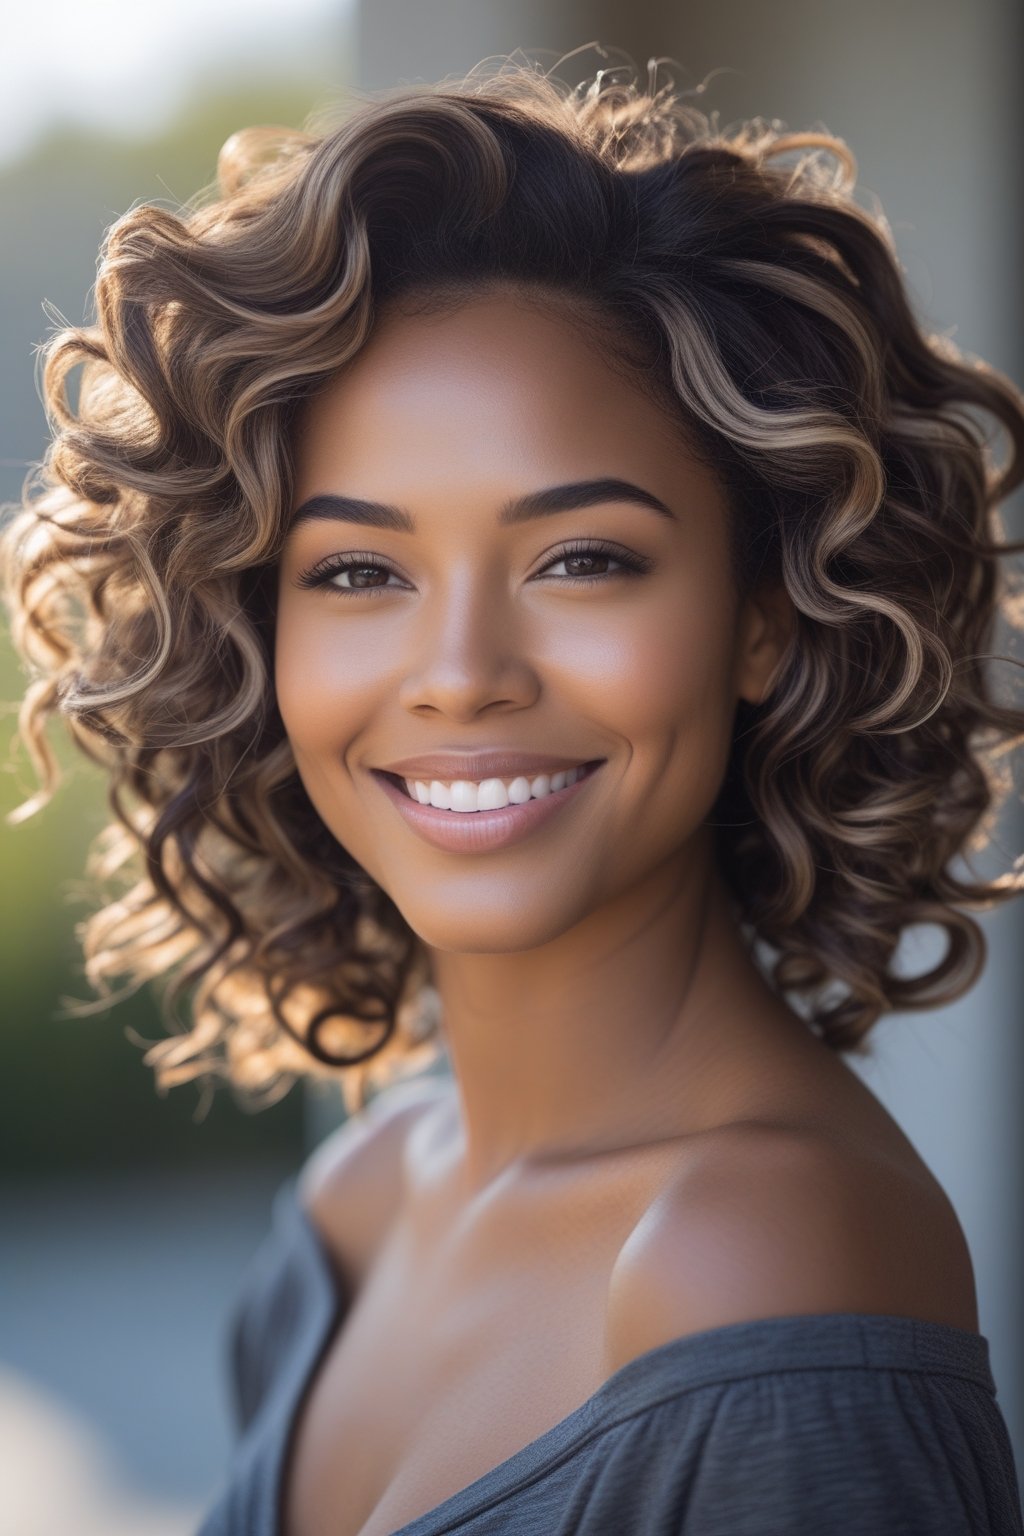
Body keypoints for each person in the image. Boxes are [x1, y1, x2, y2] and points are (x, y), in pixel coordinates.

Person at [2, 50, 1023, 1536]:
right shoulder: (353, 1215)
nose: (462, 672)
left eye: (582, 558)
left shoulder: (769, 1261)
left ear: (763, 615)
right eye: (357, 571)